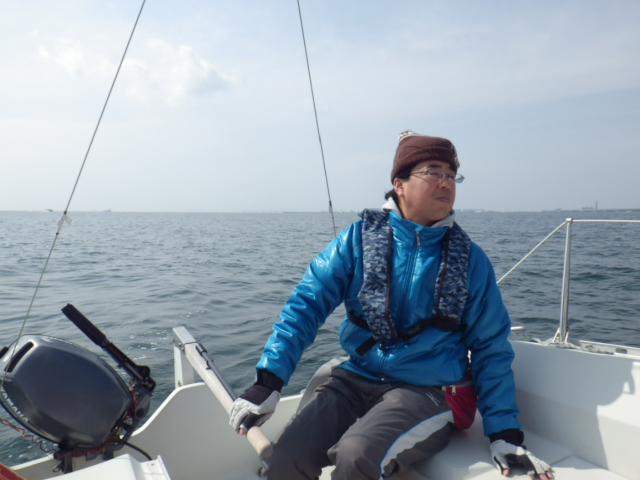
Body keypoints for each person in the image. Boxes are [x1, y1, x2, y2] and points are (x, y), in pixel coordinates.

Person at [230, 131, 554, 480]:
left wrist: (504, 432)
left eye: (451, 175)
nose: (446, 182)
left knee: (356, 456)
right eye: (433, 172)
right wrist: (269, 381)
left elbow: (491, 346)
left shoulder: (471, 261)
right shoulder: (356, 241)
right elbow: (305, 306)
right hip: (357, 377)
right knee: (285, 457)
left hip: (431, 390)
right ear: (399, 185)